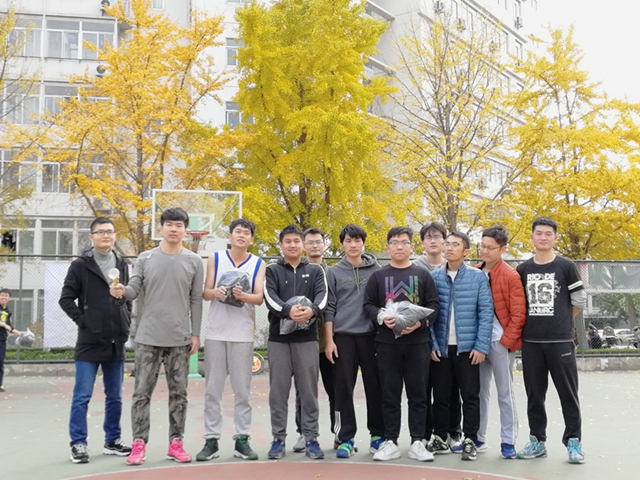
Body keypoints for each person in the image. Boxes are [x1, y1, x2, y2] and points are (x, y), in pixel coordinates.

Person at [110, 207, 204, 466]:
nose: (174, 229)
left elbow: (196, 300)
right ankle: (138, 443)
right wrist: (121, 291)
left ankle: (176, 443)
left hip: (179, 339)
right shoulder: (145, 258)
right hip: (147, 338)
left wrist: (196, 333)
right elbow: (133, 289)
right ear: (161, 227)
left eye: (179, 225)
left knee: (179, 394)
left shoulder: (194, 261)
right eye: (169, 224)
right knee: (141, 393)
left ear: (186, 230)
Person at [58, 218, 132, 464]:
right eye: (100, 232)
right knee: (82, 396)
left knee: (115, 397)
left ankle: (112, 440)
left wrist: (125, 318)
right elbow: (66, 299)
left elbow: (125, 297)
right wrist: (84, 321)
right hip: (89, 341)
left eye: (109, 231)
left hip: (116, 340)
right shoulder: (80, 265)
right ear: (91, 237)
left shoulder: (121, 263)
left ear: (115, 236)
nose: (105, 235)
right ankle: (78, 444)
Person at [364, 226, 439, 462]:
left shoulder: (423, 275)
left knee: (418, 394)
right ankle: (390, 441)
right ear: (387, 247)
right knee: (390, 393)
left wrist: (420, 324)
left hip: (418, 344)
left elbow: (434, 306)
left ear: (411, 247)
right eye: (395, 242)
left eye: (404, 242)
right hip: (387, 344)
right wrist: (381, 317)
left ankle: (418, 441)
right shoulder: (378, 276)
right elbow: (368, 305)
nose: (399, 247)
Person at [516, 217, 587, 464]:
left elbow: (579, 301)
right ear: (532, 237)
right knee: (534, 395)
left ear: (555, 238)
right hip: (531, 342)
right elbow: (519, 304)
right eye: (539, 233)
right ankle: (537, 440)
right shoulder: (523, 269)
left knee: (568, 394)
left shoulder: (566, 266)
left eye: (548, 233)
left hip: (561, 341)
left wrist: (561, 321)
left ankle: (574, 442)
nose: (543, 237)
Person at [196, 219, 265, 462]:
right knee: (212, 390)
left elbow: (259, 298)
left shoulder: (258, 263)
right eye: (238, 231)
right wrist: (216, 292)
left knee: (242, 391)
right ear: (230, 236)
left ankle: (242, 438)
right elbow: (205, 293)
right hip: (216, 332)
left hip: (242, 334)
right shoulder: (215, 258)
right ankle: (211, 439)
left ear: (251, 239)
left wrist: (242, 295)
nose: (242, 235)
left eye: (246, 233)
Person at [264, 225, 328, 460]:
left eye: (296, 241)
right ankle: (278, 439)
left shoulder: (316, 270)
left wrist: (312, 310)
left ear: (303, 244)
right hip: (278, 341)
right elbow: (269, 297)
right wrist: (288, 310)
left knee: (309, 391)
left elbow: (323, 297)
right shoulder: (271, 270)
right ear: (281, 245)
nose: (292, 245)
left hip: (307, 340)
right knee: (278, 392)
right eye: (287, 241)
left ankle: (311, 438)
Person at [429, 232, 493, 462]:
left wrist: (481, 346)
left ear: (465, 251)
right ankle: (439, 436)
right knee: (441, 396)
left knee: (470, 396)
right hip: (441, 349)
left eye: (455, 244)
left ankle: (470, 440)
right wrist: (432, 344)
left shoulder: (478, 277)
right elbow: (428, 314)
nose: (449, 247)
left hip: (468, 349)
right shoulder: (434, 277)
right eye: (447, 243)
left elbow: (486, 312)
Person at [324, 224, 385, 458]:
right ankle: (345, 438)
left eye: (357, 240)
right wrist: (329, 340)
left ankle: (378, 436)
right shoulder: (333, 272)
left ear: (363, 243)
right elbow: (329, 307)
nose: (353, 245)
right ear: (342, 244)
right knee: (342, 390)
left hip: (371, 338)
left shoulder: (376, 270)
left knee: (375, 388)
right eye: (348, 240)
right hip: (343, 338)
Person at [475, 225, 526, 459]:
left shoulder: (510, 275)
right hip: (478, 343)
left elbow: (518, 314)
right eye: (482, 246)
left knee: (505, 393)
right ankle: (478, 437)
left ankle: (508, 441)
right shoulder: (474, 272)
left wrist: (506, 341)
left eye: (490, 247)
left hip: (500, 343)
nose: (485, 251)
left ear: (503, 249)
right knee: (478, 392)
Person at [414, 221, 463, 452]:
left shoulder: (453, 265)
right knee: (424, 388)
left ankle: (454, 432)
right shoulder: (414, 268)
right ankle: (426, 433)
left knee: (451, 389)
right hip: (422, 338)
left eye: (437, 237)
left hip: (449, 339)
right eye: (428, 237)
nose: (433, 241)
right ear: (422, 242)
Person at [291, 228, 336, 453]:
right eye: (310, 242)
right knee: (304, 391)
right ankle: (303, 432)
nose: (315, 246)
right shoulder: (297, 272)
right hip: (304, 340)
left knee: (335, 390)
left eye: (318, 242)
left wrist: (332, 338)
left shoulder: (333, 273)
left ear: (324, 245)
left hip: (329, 342)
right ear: (303, 245)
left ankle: (339, 434)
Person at [1, 288, 21, 393]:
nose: (3, 297)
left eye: (6, 296)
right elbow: (4, 325)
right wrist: (3, 325)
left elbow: (9, 326)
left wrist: (20, 333)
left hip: (2, 340)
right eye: (2, 295)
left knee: (0, 362)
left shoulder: (7, 311)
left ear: (9, 298)